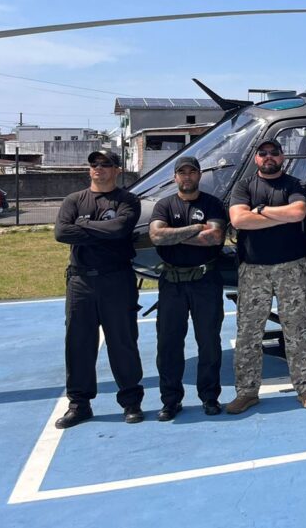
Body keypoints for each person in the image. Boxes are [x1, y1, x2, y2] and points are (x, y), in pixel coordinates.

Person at [53, 149, 144, 428]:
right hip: (80, 282)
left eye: (105, 165)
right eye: (94, 164)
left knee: (123, 342)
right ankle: (79, 404)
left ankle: (131, 402)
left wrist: (83, 227)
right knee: (78, 343)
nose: (99, 169)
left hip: (116, 280)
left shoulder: (127, 200)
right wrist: (100, 230)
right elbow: (61, 233)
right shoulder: (74, 200)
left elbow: (120, 230)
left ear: (117, 169)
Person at [227, 138, 306, 414]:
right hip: (253, 268)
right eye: (263, 153)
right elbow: (238, 220)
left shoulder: (293, 184)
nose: (269, 157)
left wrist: (261, 211)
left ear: (282, 157)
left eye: (274, 153)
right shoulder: (244, 186)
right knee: (248, 333)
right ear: (256, 158)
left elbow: (298, 212)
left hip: (291, 267)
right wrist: (279, 216)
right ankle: (247, 392)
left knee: (298, 329)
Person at [147, 155, 227, 420]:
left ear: (199, 175)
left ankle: (210, 397)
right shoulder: (164, 205)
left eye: (192, 172)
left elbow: (214, 237)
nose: (187, 177)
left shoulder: (212, 203)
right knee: (168, 344)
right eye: (182, 172)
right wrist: (195, 228)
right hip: (172, 284)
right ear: (175, 177)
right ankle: (170, 401)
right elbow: (157, 236)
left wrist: (175, 236)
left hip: (205, 282)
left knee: (208, 342)